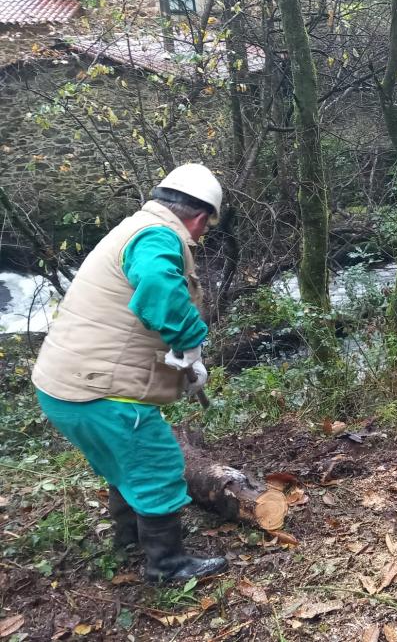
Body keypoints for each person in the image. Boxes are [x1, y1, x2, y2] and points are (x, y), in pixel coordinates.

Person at [32, 164, 228, 583]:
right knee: (157, 463)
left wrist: (183, 361)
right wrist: (190, 340)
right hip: (101, 392)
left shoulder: (136, 227)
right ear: (198, 217)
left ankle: (129, 540)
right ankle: (167, 566)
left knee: (124, 465)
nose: (201, 234)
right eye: (205, 226)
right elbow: (157, 288)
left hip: (62, 386)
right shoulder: (159, 236)